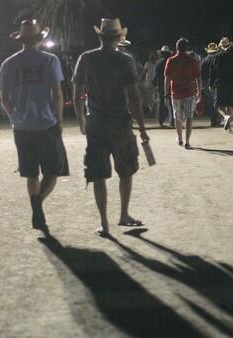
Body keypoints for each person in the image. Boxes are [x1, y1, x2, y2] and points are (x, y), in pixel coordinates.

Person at [72, 18, 149, 237]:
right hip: (121, 123)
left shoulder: (86, 59)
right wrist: (142, 127)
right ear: (118, 38)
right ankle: (124, 214)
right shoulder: (125, 60)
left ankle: (104, 223)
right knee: (126, 170)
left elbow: (77, 93)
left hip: (95, 123)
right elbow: (134, 97)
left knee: (97, 174)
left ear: (100, 37)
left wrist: (81, 120)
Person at [0, 19, 69, 230]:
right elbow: (57, 94)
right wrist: (59, 121)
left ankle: (35, 207)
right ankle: (37, 205)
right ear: (39, 38)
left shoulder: (9, 63)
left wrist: (14, 116)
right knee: (53, 170)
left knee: (30, 173)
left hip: (22, 127)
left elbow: (4, 97)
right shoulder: (49, 60)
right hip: (46, 124)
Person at [164, 38, 202, 149]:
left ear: (176, 47)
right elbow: (198, 78)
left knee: (177, 117)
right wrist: (199, 92)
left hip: (175, 92)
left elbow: (166, 79)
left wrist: (166, 94)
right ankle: (187, 142)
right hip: (189, 92)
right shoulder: (192, 61)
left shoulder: (171, 60)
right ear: (186, 48)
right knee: (189, 117)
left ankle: (180, 138)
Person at [209, 37, 233, 132]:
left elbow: (212, 72)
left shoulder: (216, 57)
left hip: (220, 83)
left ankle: (225, 116)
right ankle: (229, 126)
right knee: (230, 105)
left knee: (219, 105)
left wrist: (211, 84)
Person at [152, 45, 173, 127]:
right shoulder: (172, 61)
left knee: (161, 102)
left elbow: (156, 74)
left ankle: (161, 120)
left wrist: (154, 82)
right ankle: (172, 120)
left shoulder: (158, 62)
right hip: (171, 83)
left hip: (161, 84)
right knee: (171, 102)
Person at [201, 42, 221, 127]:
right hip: (215, 82)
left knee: (210, 102)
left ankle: (213, 120)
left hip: (206, 82)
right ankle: (217, 120)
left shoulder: (204, 60)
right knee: (217, 102)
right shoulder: (217, 59)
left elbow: (201, 73)